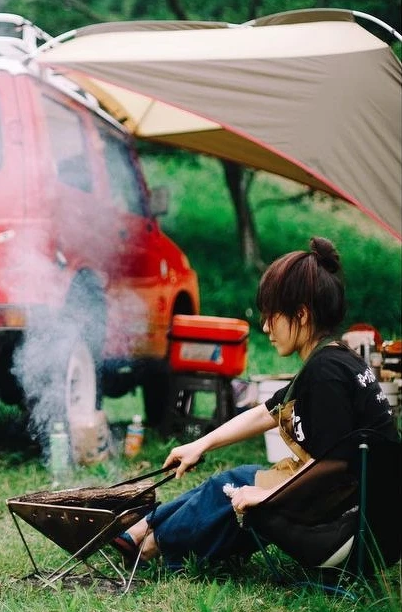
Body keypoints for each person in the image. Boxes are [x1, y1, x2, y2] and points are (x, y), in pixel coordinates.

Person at [114, 236, 398, 570]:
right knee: (239, 479)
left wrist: (268, 495)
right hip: (365, 524)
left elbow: (333, 464)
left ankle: (151, 543)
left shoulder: (326, 371)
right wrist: (200, 445)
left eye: (271, 316)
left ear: (301, 314)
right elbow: (265, 413)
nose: (265, 327)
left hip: (353, 534)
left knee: (234, 489)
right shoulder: (335, 359)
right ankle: (145, 530)